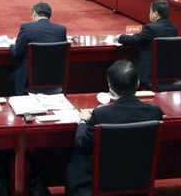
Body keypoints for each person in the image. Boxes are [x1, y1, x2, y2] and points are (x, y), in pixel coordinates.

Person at [66, 60, 165, 196]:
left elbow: (82, 145)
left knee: (74, 155)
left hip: (103, 181)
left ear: (110, 87)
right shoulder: (155, 112)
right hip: (138, 178)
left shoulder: (100, 114)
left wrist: (82, 121)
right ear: (137, 84)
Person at [116, 0, 177, 90]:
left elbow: (134, 40)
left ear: (155, 13)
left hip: (149, 74)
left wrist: (120, 37)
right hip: (168, 73)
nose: (149, 14)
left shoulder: (151, 28)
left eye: (150, 11)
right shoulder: (174, 28)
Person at [9, 2, 68, 95]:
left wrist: (11, 46)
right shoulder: (61, 30)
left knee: (9, 76)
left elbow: (17, 53)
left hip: (29, 81)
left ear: (34, 13)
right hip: (55, 80)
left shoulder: (27, 28)